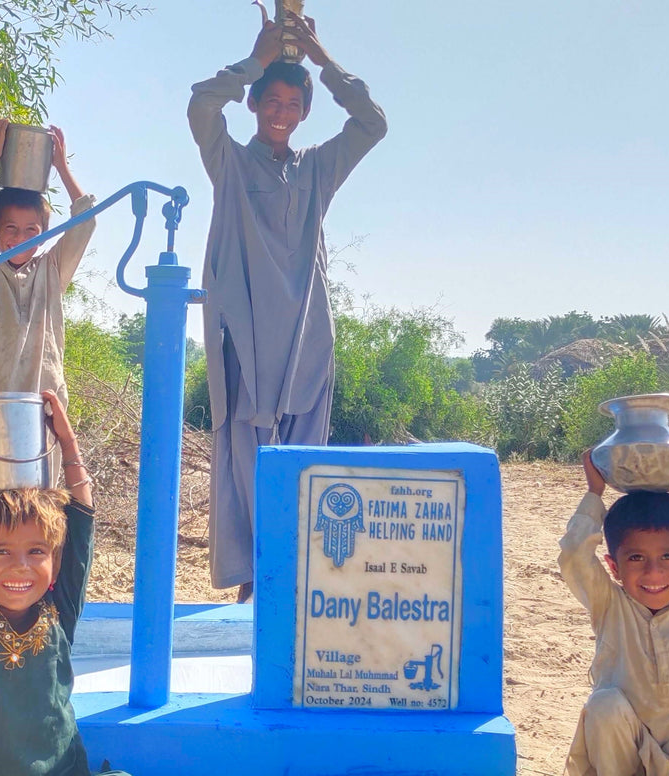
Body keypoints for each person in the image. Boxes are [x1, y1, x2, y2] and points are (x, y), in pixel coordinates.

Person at [187, 14, 388, 597]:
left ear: (304, 112)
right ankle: (255, 575)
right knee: (247, 457)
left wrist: (322, 61)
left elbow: (372, 124)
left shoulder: (318, 169)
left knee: (305, 460)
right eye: (269, 99)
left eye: (291, 103)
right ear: (253, 104)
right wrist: (253, 58)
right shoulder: (230, 162)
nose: (280, 111)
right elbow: (202, 106)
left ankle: (297, 574)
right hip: (245, 340)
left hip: (306, 339)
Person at [0, 389, 129, 776]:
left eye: (36, 552)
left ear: (55, 561)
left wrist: (67, 442)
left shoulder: (59, 612)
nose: (21, 567)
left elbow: (81, 523)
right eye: (0, 553)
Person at [0, 120, 95, 484]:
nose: (19, 238)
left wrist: (61, 167)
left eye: (31, 230)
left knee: (38, 505)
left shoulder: (52, 270)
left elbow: (86, 221)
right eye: (10, 229)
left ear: (44, 232)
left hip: (41, 411)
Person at [559, 449, 669, 775]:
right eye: (636, 558)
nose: (653, 574)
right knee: (604, 706)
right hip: (624, 754)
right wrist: (594, 494)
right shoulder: (608, 603)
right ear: (613, 566)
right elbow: (573, 555)